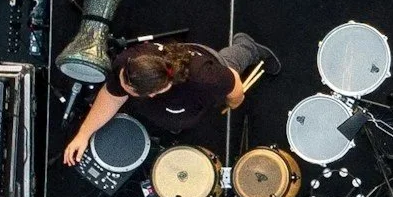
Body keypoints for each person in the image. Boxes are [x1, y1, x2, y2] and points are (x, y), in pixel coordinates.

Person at [62, 35, 280, 164]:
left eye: (129, 91)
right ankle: (176, 125)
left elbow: (234, 86)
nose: (122, 88)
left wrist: (232, 104)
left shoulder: (206, 79)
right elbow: (112, 95)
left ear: (155, 92)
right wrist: (83, 134)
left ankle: (247, 46)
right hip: (175, 106)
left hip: (208, 76)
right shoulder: (128, 64)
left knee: (230, 62)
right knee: (176, 123)